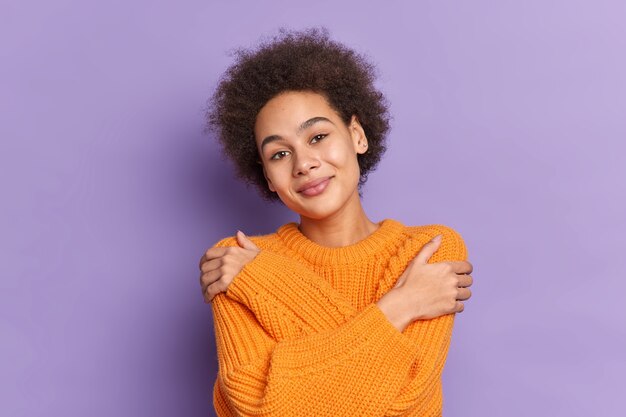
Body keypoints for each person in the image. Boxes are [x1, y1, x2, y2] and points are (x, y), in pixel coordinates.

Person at [198, 27, 474, 417]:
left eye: (317, 137)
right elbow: (255, 406)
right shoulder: (239, 259)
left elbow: (405, 404)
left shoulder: (428, 250)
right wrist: (401, 306)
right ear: (266, 176)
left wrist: (263, 281)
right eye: (279, 154)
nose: (304, 164)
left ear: (357, 135)